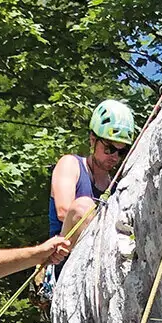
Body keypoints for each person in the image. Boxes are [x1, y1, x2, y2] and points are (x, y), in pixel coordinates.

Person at [48, 101, 138, 249]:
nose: (114, 157)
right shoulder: (70, 164)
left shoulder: (115, 188)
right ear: (92, 140)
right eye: (109, 148)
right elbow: (64, 211)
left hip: (102, 252)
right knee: (82, 207)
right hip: (64, 255)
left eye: (121, 152)